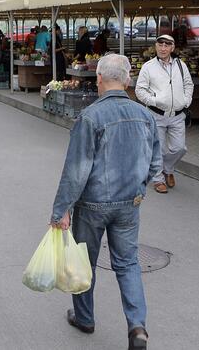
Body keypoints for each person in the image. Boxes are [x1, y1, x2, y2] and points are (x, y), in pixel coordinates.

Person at [50, 53, 162, 350]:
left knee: (84, 263)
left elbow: (76, 170)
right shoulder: (146, 116)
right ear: (128, 81)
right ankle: (137, 326)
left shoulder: (90, 117)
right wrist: (138, 189)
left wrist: (61, 210)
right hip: (130, 203)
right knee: (128, 264)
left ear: (98, 78)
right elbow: (155, 164)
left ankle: (85, 318)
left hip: (93, 204)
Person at [134, 34, 194, 194]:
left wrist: (186, 101)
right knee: (158, 149)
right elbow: (139, 90)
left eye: (167, 45)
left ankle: (167, 168)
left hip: (177, 115)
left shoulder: (181, 65)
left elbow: (188, 84)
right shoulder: (148, 66)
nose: (163, 48)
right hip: (156, 114)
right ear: (156, 47)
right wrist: (154, 100)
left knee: (180, 148)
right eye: (160, 45)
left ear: (172, 48)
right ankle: (158, 179)